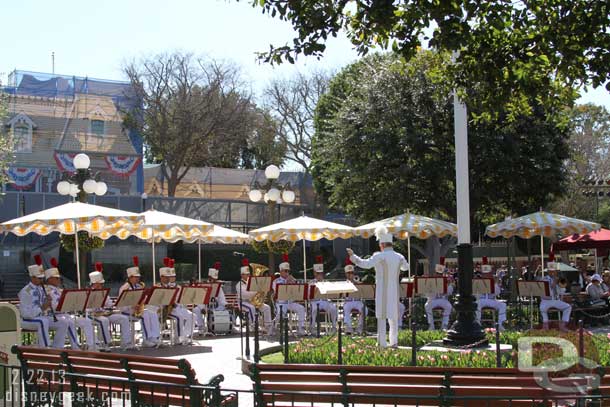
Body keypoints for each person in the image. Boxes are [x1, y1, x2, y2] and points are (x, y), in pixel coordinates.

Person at [347, 226, 409, 348]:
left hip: (382, 290)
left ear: (382, 244)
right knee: (393, 317)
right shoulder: (399, 256)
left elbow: (365, 264)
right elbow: (406, 267)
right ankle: (394, 342)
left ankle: (382, 343)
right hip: (395, 290)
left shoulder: (379, 256)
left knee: (381, 316)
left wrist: (353, 256)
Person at [18, 255, 70, 348]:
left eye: (42, 278)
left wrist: (48, 303)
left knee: (63, 322)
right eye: (39, 278)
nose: (42, 280)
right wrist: (42, 307)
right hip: (27, 320)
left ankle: (57, 347)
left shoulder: (42, 289)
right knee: (43, 321)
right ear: (32, 277)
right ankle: (46, 349)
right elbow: (26, 314)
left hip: (41, 318)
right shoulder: (26, 291)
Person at [87, 264, 134, 351]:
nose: (102, 285)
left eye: (102, 283)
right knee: (103, 320)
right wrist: (100, 311)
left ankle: (125, 343)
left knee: (123, 318)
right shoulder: (88, 293)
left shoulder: (103, 292)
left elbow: (109, 304)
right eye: (100, 284)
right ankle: (106, 344)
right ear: (94, 284)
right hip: (93, 315)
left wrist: (114, 305)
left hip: (104, 314)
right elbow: (88, 310)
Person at [119, 256, 161, 347]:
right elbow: (121, 304)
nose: (138, 279)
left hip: (137, 310)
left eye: (138, 277)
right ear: (130, 277)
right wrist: (132, 306)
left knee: (152, 313)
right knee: (145, 315)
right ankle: (146, 339)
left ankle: (155, 337)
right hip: (127, 311)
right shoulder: (124, 288)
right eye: (136, 277)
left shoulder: (138, 286)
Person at [44, 258, 81, 349]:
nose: (59, 280)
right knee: (66, 322)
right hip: (51, 315)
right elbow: (53, 305)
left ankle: (75, 346)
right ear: (49, 279)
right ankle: (58, 347)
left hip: (62, 314)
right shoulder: (47, 290)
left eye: (59, 278)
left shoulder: (59, 290)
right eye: (56, 278)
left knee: (71, 321)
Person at [159, 258, 193, 345]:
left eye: (173, 276)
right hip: (168, 309)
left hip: (178, 307)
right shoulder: (162, 286)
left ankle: (185, 336)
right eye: (170, 277)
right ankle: (178, 338)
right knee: (179, 317)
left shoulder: (178, 287)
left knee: (193, 316)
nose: (171, 278)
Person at [272, 254, 306, 335]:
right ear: (281, 272)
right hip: (281, 303)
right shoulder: (276, 281)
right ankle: (273, 327)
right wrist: (287, 283)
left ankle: (301, 328)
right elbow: (277, 292)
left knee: (301, 308)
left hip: (291, 303)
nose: (287, 273)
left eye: (288, 271)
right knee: (280, 314)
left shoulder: (292, 279)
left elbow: (298, 292)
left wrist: (295, 283)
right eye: (285, 271)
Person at [238, 259, 274, 335]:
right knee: (251, 308)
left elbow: (255, 292)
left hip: (253, 302)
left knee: (267, 308)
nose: (248, 276)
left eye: (249, 274)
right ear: (242, 275)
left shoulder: (251, 283)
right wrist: (257, 290)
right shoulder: (239, 284)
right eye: (246, 274)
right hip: (243, 302)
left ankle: (268, 326)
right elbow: (245, 294)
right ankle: (254, 325)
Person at [193, 262, 227, 334]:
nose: (214, 280)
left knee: (225, 309)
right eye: (212, 279)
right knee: (196, 309)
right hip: (204, 306)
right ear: (209, 278)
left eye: (215, 279)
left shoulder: (218, 286)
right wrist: (202, 308)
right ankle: (201, 327)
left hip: (215, 306)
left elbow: (221, 298)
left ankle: (221, 327)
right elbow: (199, 298)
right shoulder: (203, 285)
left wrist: (226, 304)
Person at [475, 259, 507, 331]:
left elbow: (497, 293)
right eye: (485, 273)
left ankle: (500, 324)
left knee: (503, 305)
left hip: (491, 300)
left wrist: (495, 283)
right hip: (481, 299)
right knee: (477, 303)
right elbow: (474, 293)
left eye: (488, 273)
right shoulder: (478, 281)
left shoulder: (493, 281)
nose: (486, 275)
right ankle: (477, 323)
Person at [309, 255, 337, 332]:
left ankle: (334, 326)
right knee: (314, 309)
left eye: (321, 273)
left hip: (325, 301)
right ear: (315, 273)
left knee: (333, 308)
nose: (320, 275)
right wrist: (316, 289)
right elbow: (309, 295)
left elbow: (332, 293)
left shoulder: (326, 282)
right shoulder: (311, 283)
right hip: (315, 301)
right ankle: (312, 327)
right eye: (318, 273)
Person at [539, 267, 572, 331]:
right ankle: (545, 326)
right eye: (551, 271)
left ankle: (563, 325)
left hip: (555, 300)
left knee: (568, 307)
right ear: (548, 271)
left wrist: (560, 285)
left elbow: (561, 291)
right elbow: (546, 290)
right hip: (546, 300)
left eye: (554, 271)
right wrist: (553, 283)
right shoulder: (544, 279)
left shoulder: (557, 279)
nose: (553, 273)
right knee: (542, 308)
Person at [424, 259, 453, 331]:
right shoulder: (431, 281)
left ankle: (444, 325)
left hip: (443, 299)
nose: (438, 275)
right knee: (427, 305)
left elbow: (450, 293)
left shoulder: (446, 281)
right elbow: (427, 294)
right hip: (432, 300)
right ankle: (431, 325)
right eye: (437, 273)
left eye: (440, 274)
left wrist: (448, 285)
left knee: (448, 306)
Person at [342, 258, 366, 334]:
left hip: (357, 301)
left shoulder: (358, 282)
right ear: (346, 274)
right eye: (348, 273)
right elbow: (342, 296)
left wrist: (358, 284)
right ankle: (348, 328)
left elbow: (363, 293)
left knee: (364, 309)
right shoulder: (344, 284)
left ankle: (359, 327)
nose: (350, 275)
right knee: (346, 308)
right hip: (348, 301)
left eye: (351, 273)